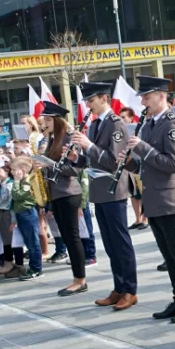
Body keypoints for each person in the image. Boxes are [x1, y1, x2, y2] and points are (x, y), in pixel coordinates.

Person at [123, 76, 175, 323]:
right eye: (142, 97)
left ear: (161, 95)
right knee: (167, 254)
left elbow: (173, 164)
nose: (143, 101)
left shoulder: (172, 124)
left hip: (169, 197)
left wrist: (143, 148)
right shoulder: (148, 125)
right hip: (153, 199)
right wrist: (128, 162)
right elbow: (145, 166)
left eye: (147, 96)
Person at [70, 81, 139, 311]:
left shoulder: (116, 124)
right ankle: (118, 287)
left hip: (114, 189)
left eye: (91, 100)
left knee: (121, 243)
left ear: (104, 99)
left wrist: (88, 145)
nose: (88, 105)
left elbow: (113, 161)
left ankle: (130, 289)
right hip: (100, 191)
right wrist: (75, 158)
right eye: (87, 101)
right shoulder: (95, 124)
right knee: (109, 244)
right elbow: (92, 160)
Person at [41, 102, 88, 296]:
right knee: (67, 237)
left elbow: (74, 170)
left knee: (72, 237)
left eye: (48, 120)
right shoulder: (52, 139)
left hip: (69, 193)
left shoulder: (69, 139)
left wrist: (50, 166)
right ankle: (76, 277)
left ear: (58, 121)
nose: (45, 123)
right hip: (57, 194)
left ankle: (80, 279)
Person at [11, 157, 44, 281]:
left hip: (28, 213)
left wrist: (16, 181)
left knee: (33, 243)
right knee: (29, 242)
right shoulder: (23, 181)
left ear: (23, 170)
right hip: (21, 213)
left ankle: (36, 268)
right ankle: (34, 267)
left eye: (14, 170)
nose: (13, 172)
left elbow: (17, 195)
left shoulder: (26, 181)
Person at [120, 107, 148, 231]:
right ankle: (137, 218)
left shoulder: (139, 128)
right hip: (129, 165)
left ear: (131, 118)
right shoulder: (120, 130)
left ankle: (145, 219)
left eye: (123, 117)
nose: (122, 120)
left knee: (143, 193)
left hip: (139, 163)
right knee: (133, 194)